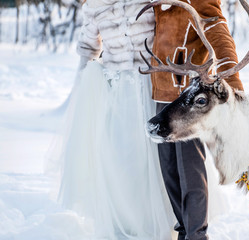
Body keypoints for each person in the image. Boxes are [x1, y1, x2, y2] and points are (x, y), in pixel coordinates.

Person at [56, 0, 174, 239]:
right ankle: (126, 224)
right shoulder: (94, 5)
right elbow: (88, 48)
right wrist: (82, 87)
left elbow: (170, 29)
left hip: (153, 86)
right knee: (122, 159)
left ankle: (162, 222)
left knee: (156, 158)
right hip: (119, 93)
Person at [146, 1, 244, 239]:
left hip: (189, 98)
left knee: (190, 171)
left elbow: (217, 28)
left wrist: (232, 80)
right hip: (162, 94)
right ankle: (184, 231)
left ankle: (197, 235)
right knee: (169, 171)